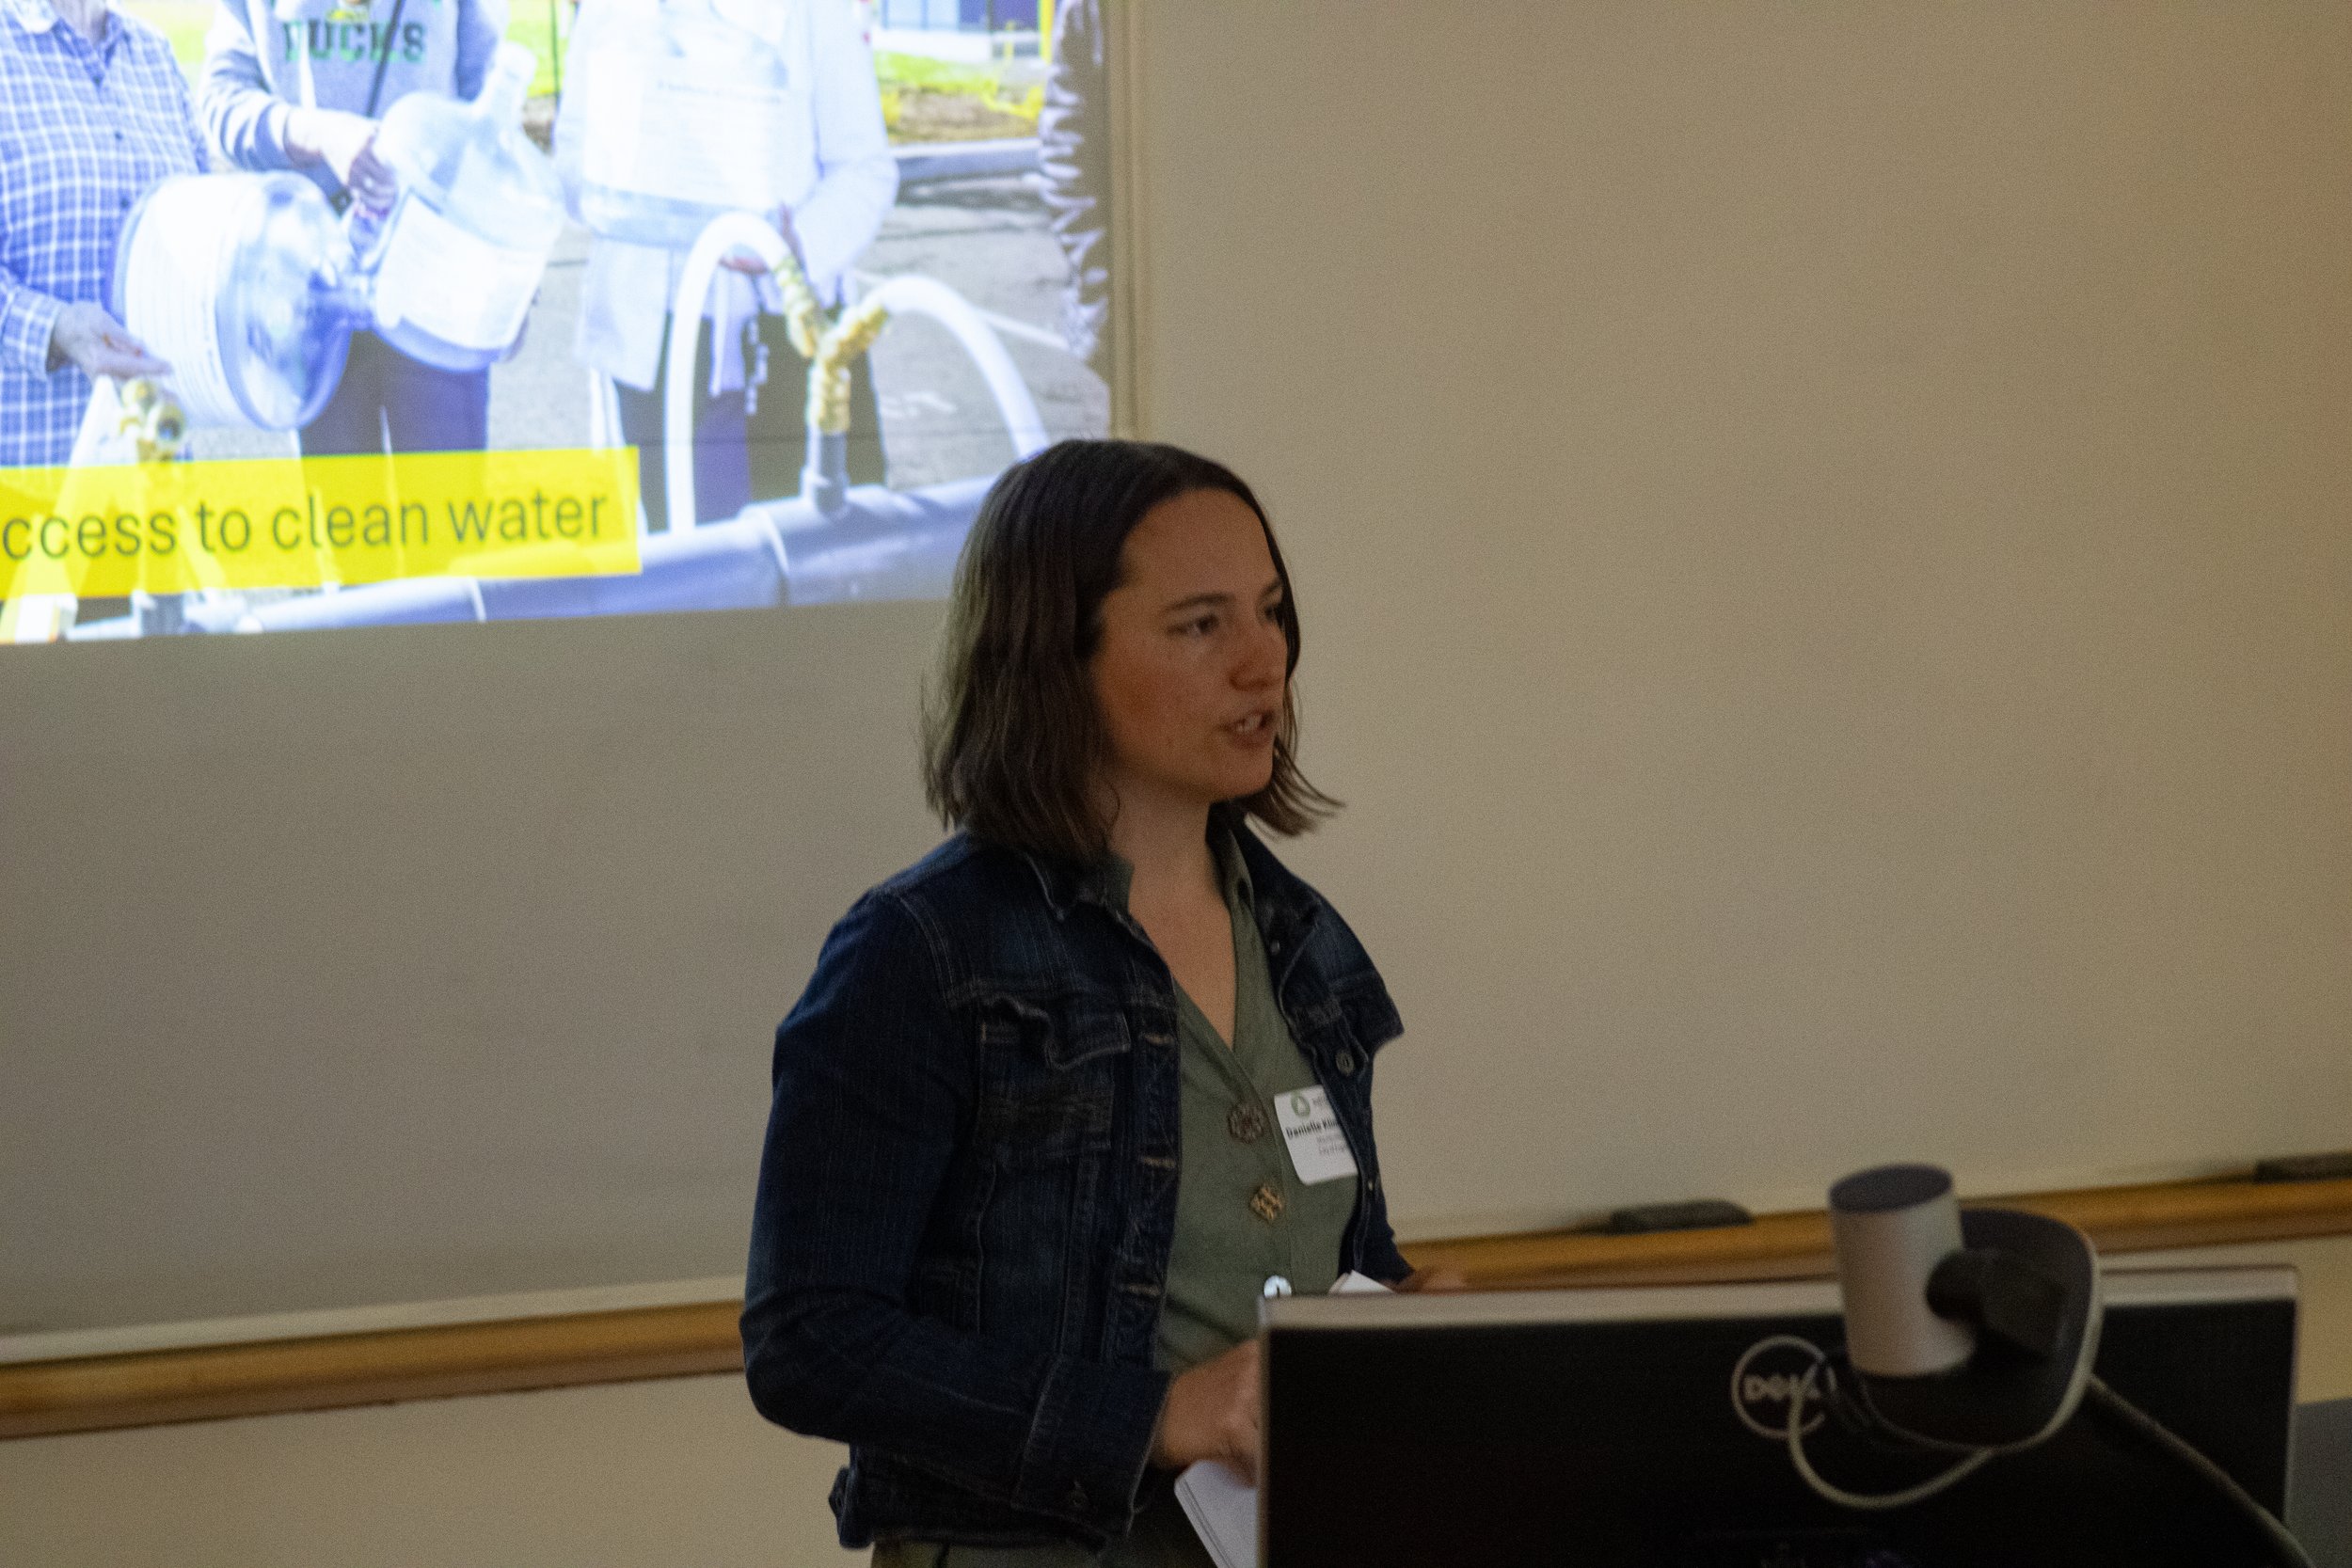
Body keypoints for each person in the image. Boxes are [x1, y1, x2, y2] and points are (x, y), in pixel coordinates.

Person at [744, 440, 1447, 1564]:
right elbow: (809, 1340)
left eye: (1270, 613)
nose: (1264, 664)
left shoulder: (1299, 937)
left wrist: (1411, 1314)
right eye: (1201, 624)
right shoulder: (921, 952)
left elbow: (1318, 1245)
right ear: (1054, 657)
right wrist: (1157, 1414)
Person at [564, 0, 897, 531]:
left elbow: (865, 170)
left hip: (775, 347)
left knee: (791, 572)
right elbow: (574, 157)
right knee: (662, 571)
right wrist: (623, 190)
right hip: (646, 345)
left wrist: (794, 247)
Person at [198, 0, 507, 455]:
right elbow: (221, 99)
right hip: (312, 289)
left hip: (434, 284)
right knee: (344, 518)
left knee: (448, 516)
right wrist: (317, 134)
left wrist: (504, 262)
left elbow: (490, 104)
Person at [0, 0, 207, 470]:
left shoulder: (153, 54)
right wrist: (54, 329)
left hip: (156, 476)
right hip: (27, 475)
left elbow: (201, 226)